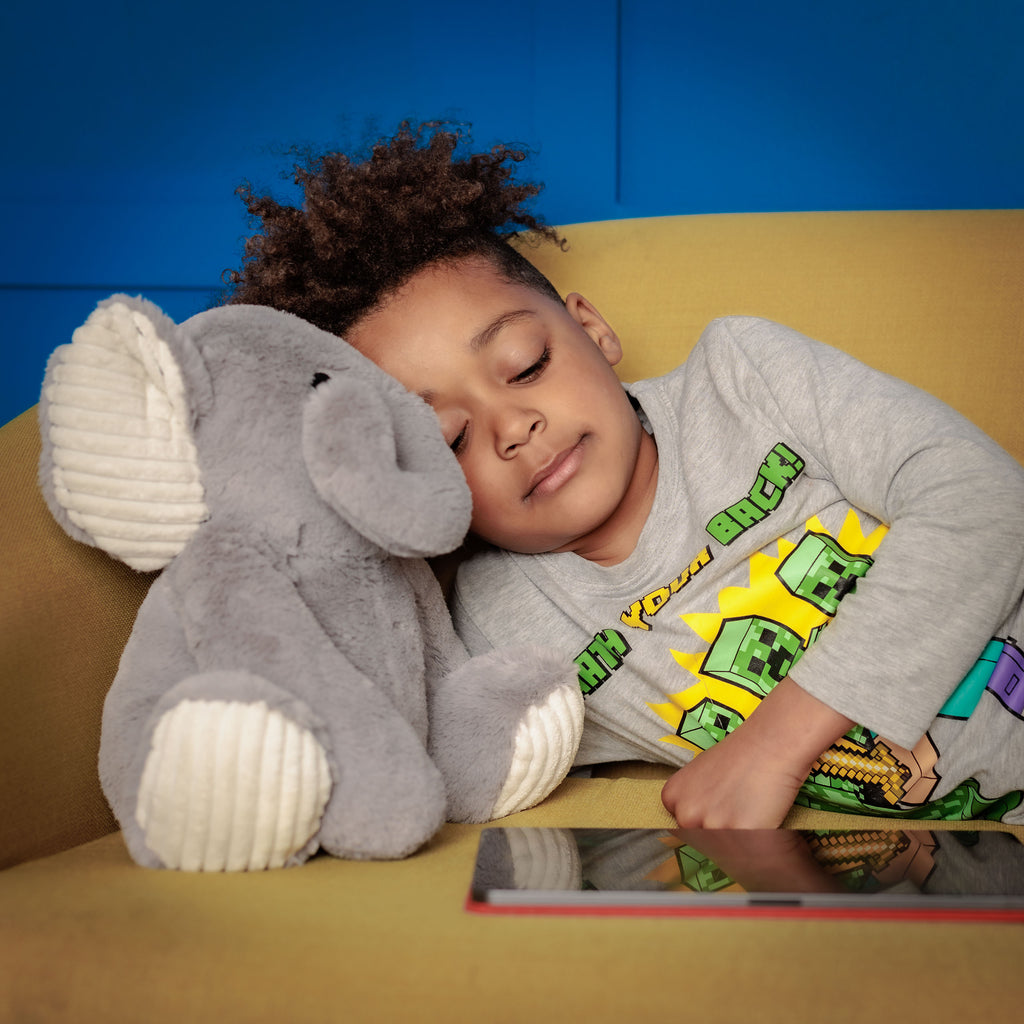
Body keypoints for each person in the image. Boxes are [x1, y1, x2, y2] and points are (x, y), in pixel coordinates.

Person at [226, 121, 1024, 829]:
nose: (513, 430)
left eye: (525, 365)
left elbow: (986, 501)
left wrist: (780, 742)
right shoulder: (503, 625)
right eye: (450, 438)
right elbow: (399, 751)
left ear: (591, 329)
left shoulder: (744, 377)